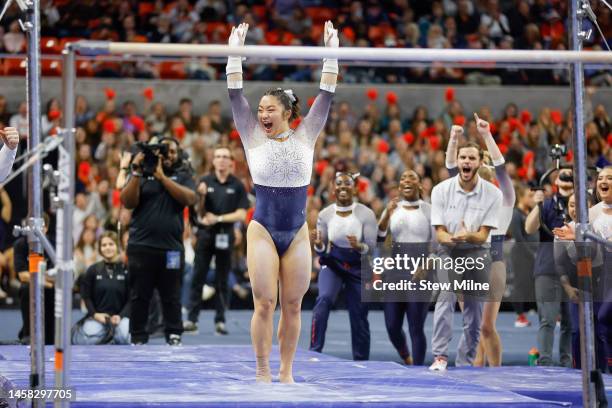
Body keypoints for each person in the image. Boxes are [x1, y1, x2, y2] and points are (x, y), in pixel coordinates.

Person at [226, 21, 338, 382]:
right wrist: (234, 55)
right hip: (262, 229)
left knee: (292, 305)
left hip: (297, 232)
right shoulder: (251, 135)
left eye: (270, 109)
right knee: (265, 304)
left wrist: (331, 54)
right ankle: (262, 370)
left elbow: (327, 95)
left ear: (288, 113)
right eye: (260, 109)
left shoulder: (306, 134)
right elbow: (234, 96)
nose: (262, 115)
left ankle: (287, 370)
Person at [445, 114, 516, 367]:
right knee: (471, 325)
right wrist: (453, 139)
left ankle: (495, 372)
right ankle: (476, 369)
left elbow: (501, 168)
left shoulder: (504, 198)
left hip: (493, 259)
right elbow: (452, 168)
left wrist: (486, 135)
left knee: (486, 326)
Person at [429, 141, 502, 371]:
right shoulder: (441, 190)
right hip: (448, 249)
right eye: (463, 158)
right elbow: (439, 232)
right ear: (457, 162)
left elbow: (482, 236)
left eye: (472, 158)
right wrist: (452, 238)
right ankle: (440, 357)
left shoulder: (493, 194)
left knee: (474, 312)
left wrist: (467, 235)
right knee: (446, 296)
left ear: (480, 163)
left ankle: (466, 361)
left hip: (477, 250)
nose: (467, 162)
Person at [120, 137, 196, 345]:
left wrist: (162, 178)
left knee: (171, 294)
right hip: (141, 247)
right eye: (165, 151)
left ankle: (173, 334)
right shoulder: (141, 174)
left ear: (178, 154)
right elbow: (127, 201)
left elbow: (190, 199)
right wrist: (135, 172)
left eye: (173, 152)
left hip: (171, 248)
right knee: (139, 295)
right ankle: (138, 336)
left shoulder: (183, 175)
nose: (169, 155)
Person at [309, 172, 377, 360]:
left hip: (358, 266)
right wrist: (318, 243)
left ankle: (361, 359)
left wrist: (359, 246)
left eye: (347, 183)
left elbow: (371, 247)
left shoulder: (366, 213)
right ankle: (314, 351)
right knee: (323, 300)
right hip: (334, 264)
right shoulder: (325, 214)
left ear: (355, 189)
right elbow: (321, 250)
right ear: (333, 189)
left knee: (359, 313)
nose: (343, 187)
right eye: (339, 183)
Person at [184, 145, 249, 335]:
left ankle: (220, 320)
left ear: (231, 162)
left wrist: (219, 218)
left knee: (223, 279)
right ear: (213, 161)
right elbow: (196, 212)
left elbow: (241, 214)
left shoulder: (237, 185)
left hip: (225, 235)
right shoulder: (204, 181)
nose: (221, 160)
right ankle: (192, 319)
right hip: (205, 236)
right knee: (198, 276)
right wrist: (201, 196)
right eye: (218, 156)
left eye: (225, 157)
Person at [377, 169, 433, 365]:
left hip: (421, 271)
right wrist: (386, 216)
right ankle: (406, 357)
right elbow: (379, 237)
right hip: (396, 270)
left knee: (415, 326)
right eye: (403, 178)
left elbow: (438, 244)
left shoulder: (429, 210)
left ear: (420, 185)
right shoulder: (392, 207)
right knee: (392, 325)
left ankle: (417, 370)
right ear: (399, 186)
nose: (407, 180)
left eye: (412, 178)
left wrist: (428, 263)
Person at [525, 168, 573, 367]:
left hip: (574, 270)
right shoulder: (547, 204)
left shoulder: (584, 204)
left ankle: (568, 363)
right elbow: (529, 228)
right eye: (563, 174)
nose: (566, 177)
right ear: (555, 180)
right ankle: (544, 364)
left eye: (571, 174)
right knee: (548, 319)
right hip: (548, 267)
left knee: (572, 323)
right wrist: (538, 203)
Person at [553, 193, 606, 370]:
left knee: (600, 332)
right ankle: (578, 371)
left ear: (591, 208)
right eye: (572, 205)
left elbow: (594, 255)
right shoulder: (561, 231)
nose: (575, 210)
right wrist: (568, 289)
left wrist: (576, 237)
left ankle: (603, 370)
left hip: (600, 286)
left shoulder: (598, 227)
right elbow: (559, 264)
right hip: (578, 287)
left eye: (580, 205)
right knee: (577, 332)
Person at [73, 231, 131, 345]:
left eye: (111, 244)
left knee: (125, 336)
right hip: (98, 318)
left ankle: (112, 337)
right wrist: (95, 314)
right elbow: (86, 296)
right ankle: (109, 338)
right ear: (99, 249)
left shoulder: (126, 270)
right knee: (88, 340)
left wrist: (121, 316)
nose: (107, 248)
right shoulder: (92, 270)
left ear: (117, 246)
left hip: (120, 319)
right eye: (104, 245)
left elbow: (131, 299)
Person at [14, 214, 55, 344]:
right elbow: (22, 275)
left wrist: (44, 280)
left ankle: (51, 337)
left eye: (39, 227)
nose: (35, 231)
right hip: (34, 285)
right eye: (32, 227)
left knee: (54, 292)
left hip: (51, 288)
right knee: (26, 289)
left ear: (46, 228)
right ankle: (27, 334)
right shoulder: (20, 244)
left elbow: (59, 275)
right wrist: (45, 281)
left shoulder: (53, 245)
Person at [508, 184, 538, 327]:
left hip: (532, 254)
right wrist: (532, 254)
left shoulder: (530, 213)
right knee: (520, 285)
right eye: (530, 196)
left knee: (531, 284)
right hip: (521, 255)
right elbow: (518, 237)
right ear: (521, 197)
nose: (532, 199)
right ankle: (519, 316)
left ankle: (531, 309)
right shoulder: (516, 214)